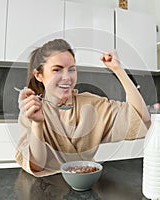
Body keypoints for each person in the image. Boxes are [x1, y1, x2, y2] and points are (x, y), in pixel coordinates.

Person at [16, 39, 151, 177]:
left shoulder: (91, 104)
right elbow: (37, 166)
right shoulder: (31, 110)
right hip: (46, 188)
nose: (67, 77)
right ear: (38, 75)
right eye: (57, 69)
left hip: (86, 183)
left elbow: (141, 119)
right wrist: (37, 124)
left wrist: (118, 70)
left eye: (72, 69)